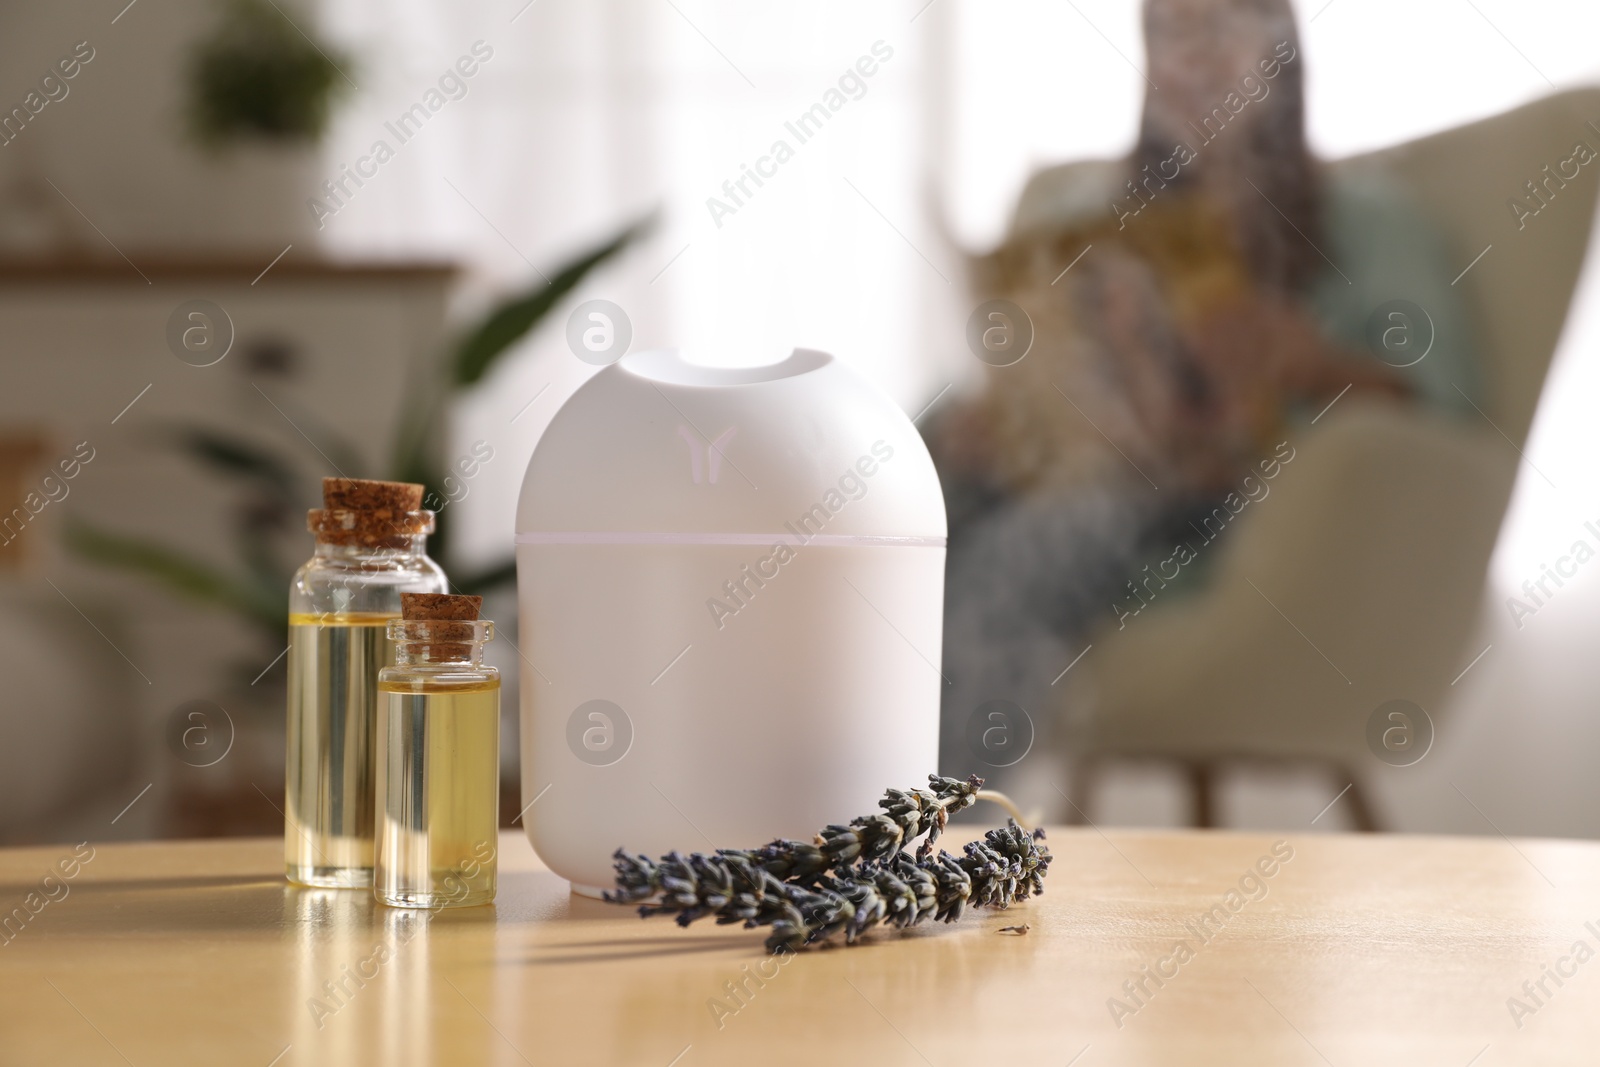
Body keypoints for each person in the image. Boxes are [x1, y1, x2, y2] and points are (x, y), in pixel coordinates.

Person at [924, 0, 1479, 789]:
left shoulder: (1375, 224)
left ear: (1280, 51)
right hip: (1053, 472)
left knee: (1034, 547)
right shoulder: (1077, 217)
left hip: (1219, 512)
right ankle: (816, 825)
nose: (1191, 59)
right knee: (901, 516)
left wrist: (1311, 359)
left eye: (1220, 29)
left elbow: (1449, 413)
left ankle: (937, 844)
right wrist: (984, 424)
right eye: (1169, 33)